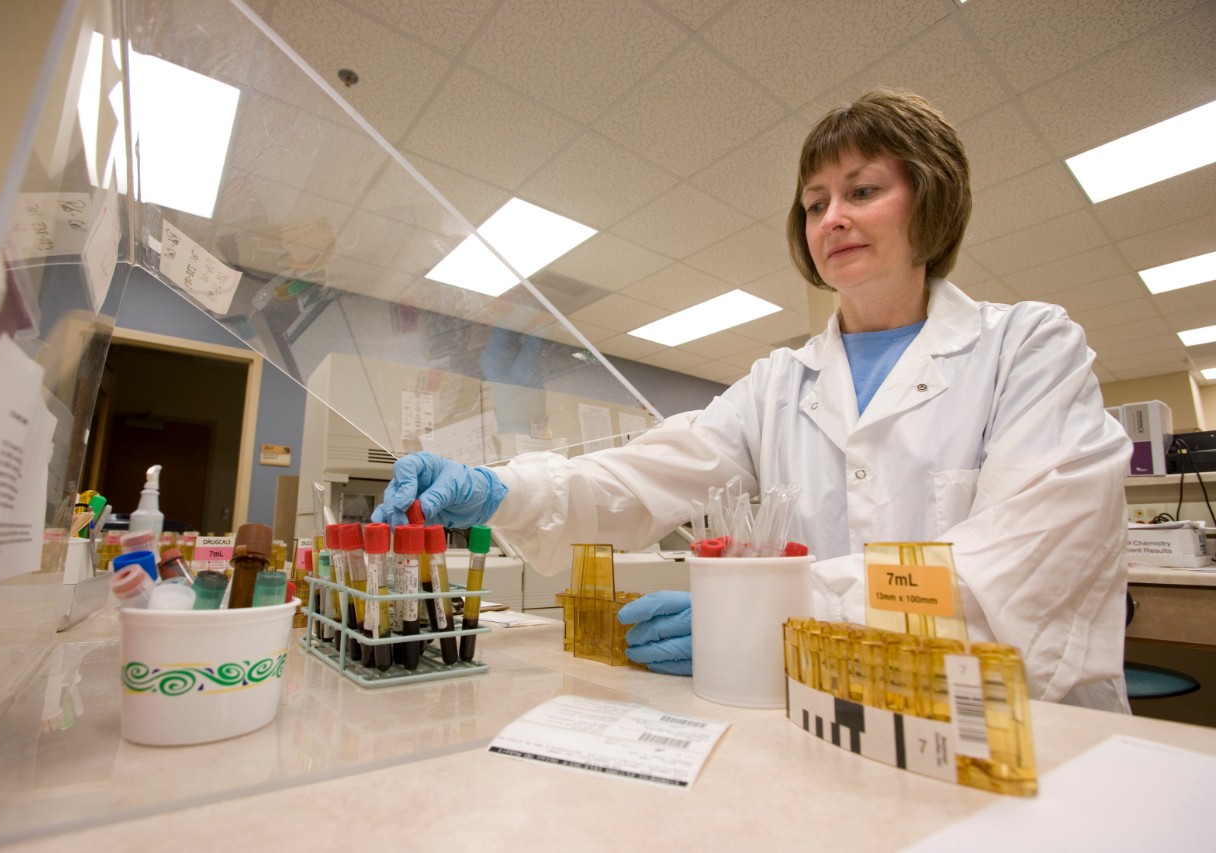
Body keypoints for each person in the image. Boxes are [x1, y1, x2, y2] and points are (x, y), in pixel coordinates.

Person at [373, 90, 1132, 712]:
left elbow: (1031, 556)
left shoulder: (1026, 348)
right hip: (825, 717)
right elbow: (645, 476)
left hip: (1008, 731)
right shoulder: (781, 383)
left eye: (863, 191)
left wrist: (780, 616)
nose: (830, 217)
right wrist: (502, 487)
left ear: (930, 200)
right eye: (814, 201)